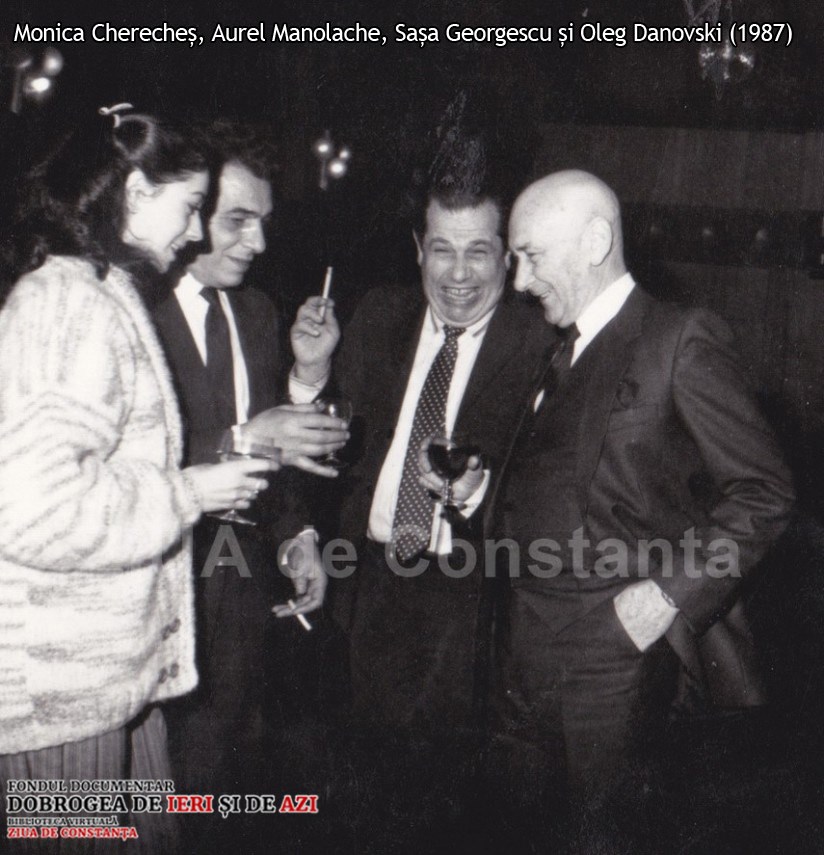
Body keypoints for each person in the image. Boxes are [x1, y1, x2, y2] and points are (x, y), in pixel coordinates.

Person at [487, 169, 795, 850]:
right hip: (522, 658)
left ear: (595, 241)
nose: (520, 282)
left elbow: (765, 492)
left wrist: (666, 595)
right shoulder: (554, 349)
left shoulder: (678, 338)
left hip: (616, 662)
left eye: (532, 256)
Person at [0, 107, 276, 851]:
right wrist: (190, 492)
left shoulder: (100, 291)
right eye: (190, 206)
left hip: (110, 679)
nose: (195, 232)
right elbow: (29, 509)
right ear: (133, 193)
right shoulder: (68, 304)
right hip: (61, 696)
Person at [289, 185, 551, 848]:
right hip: (364, 585)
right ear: (417, 250)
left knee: (447, 811)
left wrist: (476, 490)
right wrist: (310, 373)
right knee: (353, 799)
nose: (458, 274)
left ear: (507, 256)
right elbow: (328, 443)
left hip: (471, 599)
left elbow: (550, 488)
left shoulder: (543, 341)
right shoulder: (378, 315)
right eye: (442, 250)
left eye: (478, 252)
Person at [152, 123, 349, 815]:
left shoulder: (258, 312)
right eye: (238, 220)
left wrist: (298, 537)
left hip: (244, 607)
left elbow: (279, 454)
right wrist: (242, 436)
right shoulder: (135, 310)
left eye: (263, 222)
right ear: (192, 208)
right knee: (147, 808)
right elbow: (123, 460)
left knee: (219, 801)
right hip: (165, 598)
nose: (258, 243)